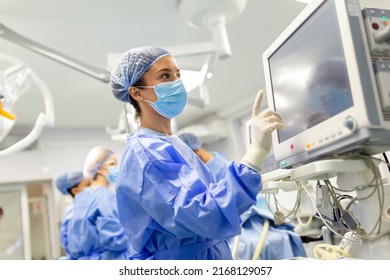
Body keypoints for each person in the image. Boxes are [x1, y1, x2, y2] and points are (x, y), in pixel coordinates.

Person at [110, 46, 284, 260]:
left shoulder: (171, 143)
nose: (176, 83)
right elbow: (207, 213)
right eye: (165, 76)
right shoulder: (148, 152)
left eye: (178, 75)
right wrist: (256, 153)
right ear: (136, 92)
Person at [63, 146, 131, 260]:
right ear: (100, 169)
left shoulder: (80, 198)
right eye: (113, 164)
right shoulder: (105, 197)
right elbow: (116, 240)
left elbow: (72, 242)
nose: (117, 168)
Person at [55, 171, 91, 259]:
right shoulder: (74, 214)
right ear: (75, 191)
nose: (93, 187)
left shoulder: (88, 208)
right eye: (87, 185)